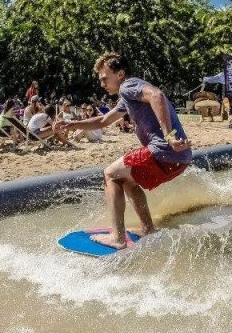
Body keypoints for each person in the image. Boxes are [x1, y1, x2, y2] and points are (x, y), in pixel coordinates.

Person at [57, 52, 192, 249]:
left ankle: (118, 238)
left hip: (164, 151)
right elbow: (103, 120)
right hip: (179, 158)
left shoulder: (129, 86)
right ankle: (148, 229)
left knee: (110, 174)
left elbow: (157, 96)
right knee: (127, 182)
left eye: (104, 78)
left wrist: (168, 135)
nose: (102, 83)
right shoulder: (126, 98)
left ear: (120, 74)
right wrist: (71, 124)